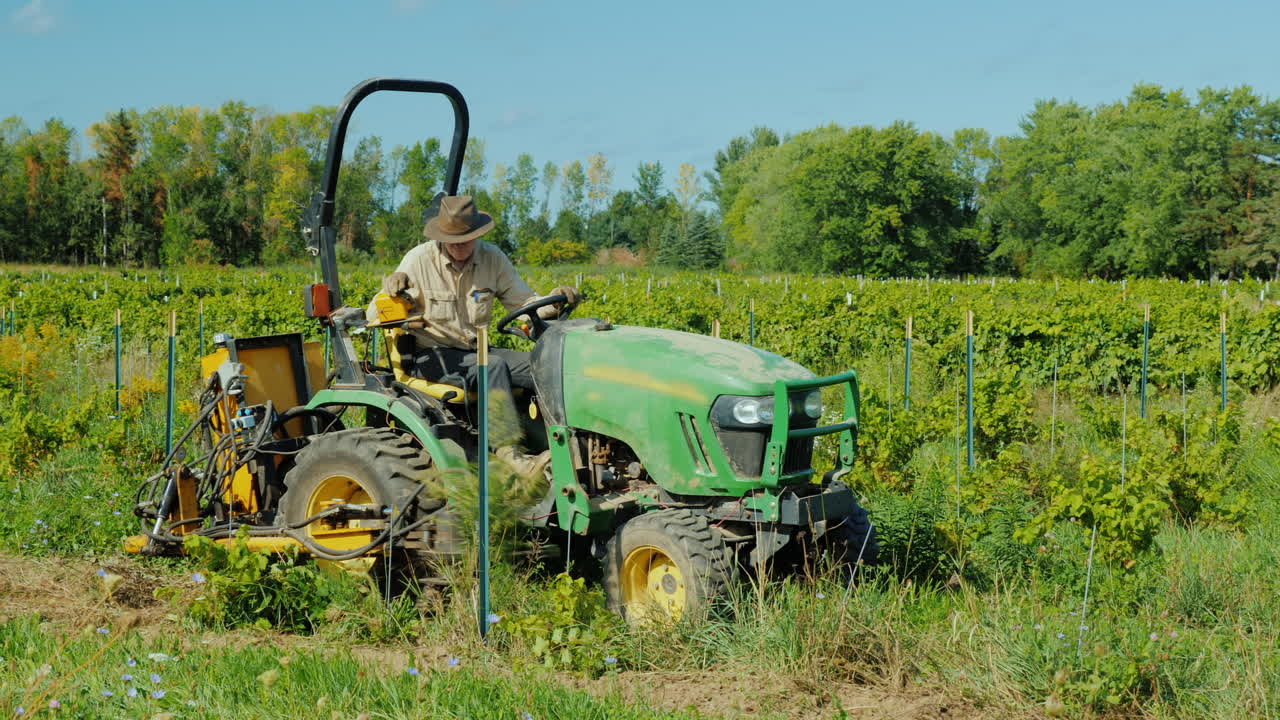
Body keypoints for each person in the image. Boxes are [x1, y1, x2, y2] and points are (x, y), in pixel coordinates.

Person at [378, 195, 580, 477]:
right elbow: (377, 311)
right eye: (453, 241)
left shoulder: (492, 258)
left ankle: (565, 444)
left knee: (545, 363)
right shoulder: (418, 259)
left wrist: (555, 300)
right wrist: (392, 290)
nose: (460, 246)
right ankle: (510, 455)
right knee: (492, 366)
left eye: (467, 239)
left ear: (477, 234)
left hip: (477, 348)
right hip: (433, 354)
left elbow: (523, 304)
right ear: (440, 237)